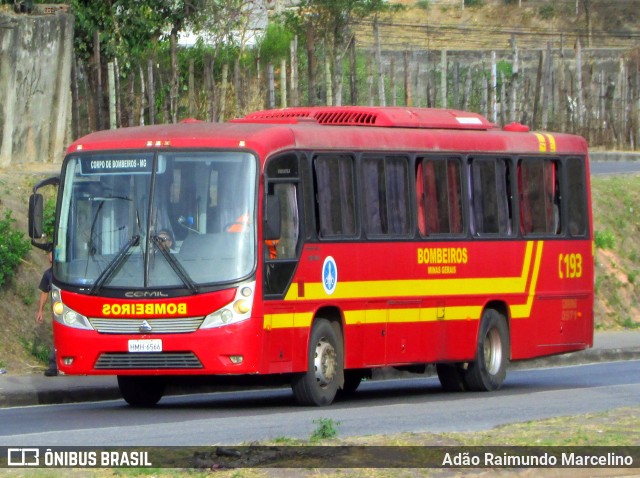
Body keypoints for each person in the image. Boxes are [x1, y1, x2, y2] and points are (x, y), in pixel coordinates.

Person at [36, 248, 57, 377]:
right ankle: (53, 365)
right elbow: (44, 292)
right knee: (56, 337)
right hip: (57, 313)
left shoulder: (68, 271)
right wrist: (40, 311)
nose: (51, 256)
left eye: (53, 253)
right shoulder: (48, 274)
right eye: (49, 254)